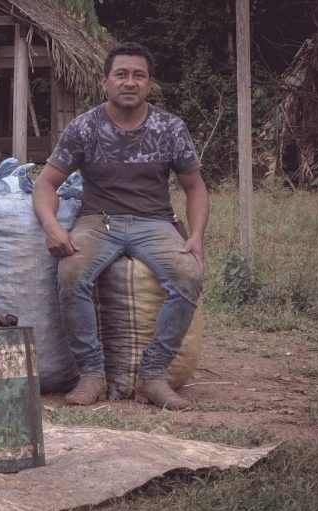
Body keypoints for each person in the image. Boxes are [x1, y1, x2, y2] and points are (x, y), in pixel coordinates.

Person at [32, 41, 209, 410]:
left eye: (138, 76)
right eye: (121, 74)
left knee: (188, 274)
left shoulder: (170, 128)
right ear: (105, 82)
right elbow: (46, 183)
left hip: (155, 222)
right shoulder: (83, 128)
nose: (130, 82)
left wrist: (195, 238)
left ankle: (154, 376)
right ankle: (92, 375)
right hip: (100, 222)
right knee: (71, 273)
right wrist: (52, 226)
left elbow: (195, 187)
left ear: (149, 84)